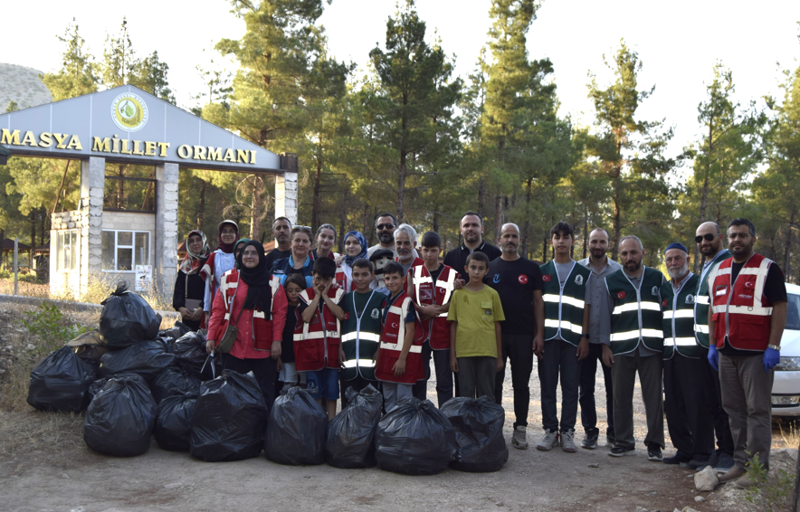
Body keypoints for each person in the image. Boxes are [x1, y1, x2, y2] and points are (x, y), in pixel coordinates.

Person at [707, 218, 787, 488]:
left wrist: (773, 347)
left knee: (757, 411)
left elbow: (780, 307)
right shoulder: (718, 270)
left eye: (742, 235)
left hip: (756, 353)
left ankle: (758, 468)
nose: (736, 240)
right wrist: (711, 344)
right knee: (734, 410)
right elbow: (713, 310)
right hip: (726, 351)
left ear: (753, 238)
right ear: (726, 239)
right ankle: (740, 464)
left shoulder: (768, 268)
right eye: (732, 236)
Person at [205, 240, 287, 412]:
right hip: (235, 347)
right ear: (240, 256)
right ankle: (236, 435)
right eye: (246, 253)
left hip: (263, 349)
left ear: (260, 257)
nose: (249, 256)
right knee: (233, 394)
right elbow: (218, 311)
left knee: (264, 395)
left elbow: (279, 315)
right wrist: (211, 337)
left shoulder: (274, 283)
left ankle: (262, 434)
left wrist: (277, 341)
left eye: (254, 253)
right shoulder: (228, 280)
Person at [604, 235, 666, 461]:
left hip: (652, 349)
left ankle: (655, 444)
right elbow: (605, 318)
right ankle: (623, 440)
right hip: (621, 349)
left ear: (643, 253)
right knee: (620, 396)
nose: (629, 257)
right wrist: (605, 346)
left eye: (633, 252)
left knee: (654, 398)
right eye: (624, 254)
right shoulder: (611, 281)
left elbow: (666, 314)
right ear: (619, 256)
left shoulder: (657, 278)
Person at [486, 223, 544, 450]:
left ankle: (520, 428)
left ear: (520, 240)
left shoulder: (531, 268)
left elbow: (538, 302)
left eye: (514, 236)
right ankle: (496, 428)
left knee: (521, 384)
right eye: (506, 236)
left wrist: (539, 333)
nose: (510, 239)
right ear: (499, 239)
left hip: (523, 335)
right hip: (495, 335)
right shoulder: (489, 267)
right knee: (495, 384)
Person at [536, 222, 591, 453]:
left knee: (570, 386)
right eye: (556, 237)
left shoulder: (583, 273)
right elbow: (538, 305)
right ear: (551, 241)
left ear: (572, 241)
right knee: (548, 385)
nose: (561, 241)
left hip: (572, 340)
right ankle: (550, 430)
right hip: (547, 339)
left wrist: (584, 337)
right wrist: (538, 334)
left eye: (565, 237)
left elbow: (586, 306)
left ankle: (567, 431)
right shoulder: (542, 271)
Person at [660, 243, 715, 469]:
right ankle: (683, 449)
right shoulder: (663, 288)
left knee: (697, 405)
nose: (673, 263)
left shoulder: (700, 284)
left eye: (678, 258)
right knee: (673, 405)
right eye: (669, 259)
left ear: (688, 260)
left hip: (693, 355)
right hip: (669, 355)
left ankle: (702, 453)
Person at [693, 221, 735, 473]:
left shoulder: (727, 264)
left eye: (708, 237)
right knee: (712, 403)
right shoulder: (708, 264)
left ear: (720, 237)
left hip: (719, 346)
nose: (703, 242)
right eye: (699, 239)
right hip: (704, 347)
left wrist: (715, 344)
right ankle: (721, 450)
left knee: (725, 403)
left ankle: (730, 452)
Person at [577, 228, 622, 449]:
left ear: (608, 244)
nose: (597, 245)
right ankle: (590, 431)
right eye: (594, 241)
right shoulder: (578, 269)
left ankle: (613, 432)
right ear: (588, 242)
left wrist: (609, 342)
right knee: (585, 388)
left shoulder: (618, 271)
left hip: (610, 342)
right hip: (584, 340)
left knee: (613, 388)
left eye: (602, 241)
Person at [408, 231, 459, 405]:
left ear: (440, 251)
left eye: (433, 250)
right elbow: (407, 301)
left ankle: (446, 419)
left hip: (443, 335)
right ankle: (420, 418)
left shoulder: (452, 274)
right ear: (420, 250)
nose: (429, 254)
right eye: (426, 250)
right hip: (419, 334)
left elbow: (456, 301)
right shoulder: (413, 273)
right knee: (420, 379)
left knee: (444, 382)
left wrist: (442, 308)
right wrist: (423, 310)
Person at [448, 251, 505, 399]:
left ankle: (486, 423)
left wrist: (499, 357)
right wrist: (453, 356)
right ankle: (466, 423)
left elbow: (497, 325)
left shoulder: (493, 294)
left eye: (481, 268)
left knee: (486, 395)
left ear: (487, 271)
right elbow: (453, 325)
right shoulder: (458, 294)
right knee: (465, 395)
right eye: (473, 267)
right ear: (466, 269)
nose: (476, 272)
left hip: (487, 352)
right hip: (464, 353)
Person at [295, 257, 346, 420]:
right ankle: (319, 423)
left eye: (327, 279)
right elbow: (306, 318)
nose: (322, 283)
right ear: (312, 276)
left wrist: (325, 296)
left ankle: (331, 423)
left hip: (332, 354)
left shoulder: (339, 294)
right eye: (318, 279)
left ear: (333, 278)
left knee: (331, 392)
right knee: (315, 391)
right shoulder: (305, 296)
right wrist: (317, 297)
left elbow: (341, 315)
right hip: (312, 354)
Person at [374, 261, 422, 412]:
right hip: (387, 357)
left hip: (402, 360)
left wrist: (402, 359)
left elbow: (411, 332)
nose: (390, 282)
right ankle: (390, 432)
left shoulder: (406, 302)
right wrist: (378, 352)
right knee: (388, 397)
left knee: (403, 399)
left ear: (403, 279)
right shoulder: (386, 301)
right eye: (387, 278)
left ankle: (403, 433)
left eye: (394, 278)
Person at [339, 258, 386, 407]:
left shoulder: (380, 299)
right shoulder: (345, 298)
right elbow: (338, 325)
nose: (360, 278)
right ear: (352, 275)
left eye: (364, 274)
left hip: (370, 363)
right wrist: (339, 347)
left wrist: (380, 350)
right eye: (356, 274)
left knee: (370, 406)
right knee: (349, 405)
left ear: (372, 276)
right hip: (349, 361)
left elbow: (384, 328)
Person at [443, 212, 502, 280]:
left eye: (474, 225)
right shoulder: (451, 257)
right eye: (466, 225)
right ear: (461, 230)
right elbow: (446, 283)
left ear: (482, 229)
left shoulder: (496, 254)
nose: (470, 228)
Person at [201, 220, 239, 318]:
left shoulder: (242, 255)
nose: (228, 234)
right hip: (218, 305)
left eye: (231, 231)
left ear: (236, 235)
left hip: (238, 305)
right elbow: (208, 286)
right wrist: (206, 311)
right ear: (220, 235)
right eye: (224, 231)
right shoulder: (214, 256)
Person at [173, 230, 210, 331]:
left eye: (198, 240)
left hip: (207, 313)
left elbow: (213, 287)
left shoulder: (210, 262)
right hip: (188, 315)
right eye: (191, 241)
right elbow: (179, 288)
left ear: (203, 242)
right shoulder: (185, 264)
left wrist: (203, 308)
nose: (195, 244)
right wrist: (181, 308)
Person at [277, 273, 306, 390]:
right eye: (290, 290)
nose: (294, 293)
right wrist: (278, 357)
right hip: (287, 354)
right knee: (288, 386)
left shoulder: (306, 308)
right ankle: (289, 408)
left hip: (304, 355)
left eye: (297, 290)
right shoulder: (283, 309)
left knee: (305, 385)